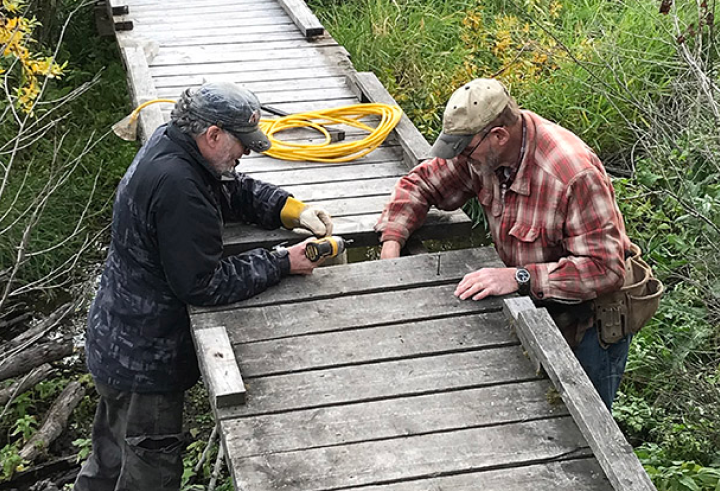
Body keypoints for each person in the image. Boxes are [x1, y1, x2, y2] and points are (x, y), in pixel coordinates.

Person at [74, 83, 333, 491]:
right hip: (147, 364)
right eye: (242, 144)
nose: (245, 153)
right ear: (212, 134)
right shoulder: (178, 185)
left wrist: (290, 209)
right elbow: (203, 284)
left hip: (115, 344)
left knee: (107, 462)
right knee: (149, 476)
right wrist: (285, 261)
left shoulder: (174, 143)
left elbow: (230, 188)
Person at [375, 78, 632, 409]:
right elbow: (421, 183)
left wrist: (519, 277)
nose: (462, 159)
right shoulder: (485, 153)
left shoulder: (572, 175)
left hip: (589, 326)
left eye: (465, 150)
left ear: (498, 136)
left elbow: (605, 268)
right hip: (535, 312)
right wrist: (392, 242)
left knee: (584, 429)